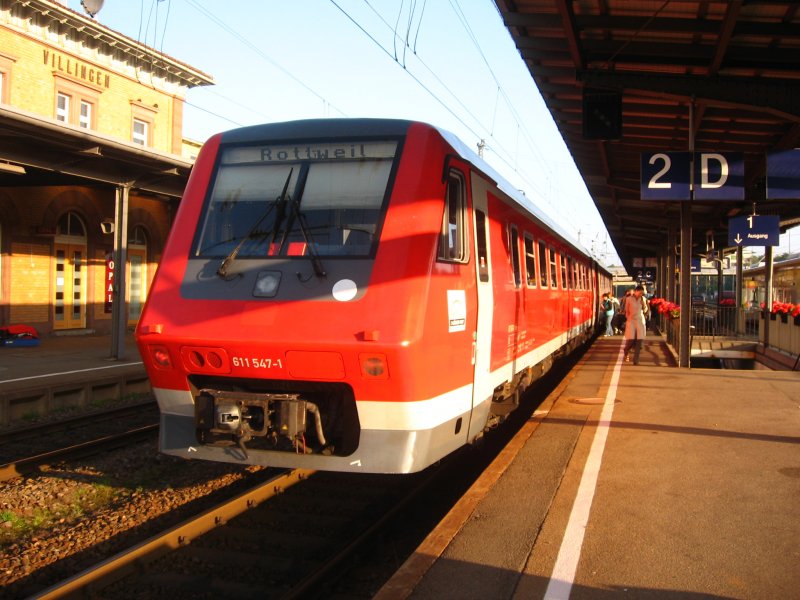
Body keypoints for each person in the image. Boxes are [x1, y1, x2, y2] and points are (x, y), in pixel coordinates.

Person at [623, 284, 649, 364]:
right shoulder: (629, 299)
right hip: (631, 321)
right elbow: (626, 310)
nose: (641, 294)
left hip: (640, 321)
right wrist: (628, 318)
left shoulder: (643, 299)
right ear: (636, 291)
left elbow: (645, 311)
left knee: (639, 341)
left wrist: (644, 305)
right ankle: (626, 351)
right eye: (640, 292)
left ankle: (636, 360)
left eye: (642, 293)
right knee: (631, 340)